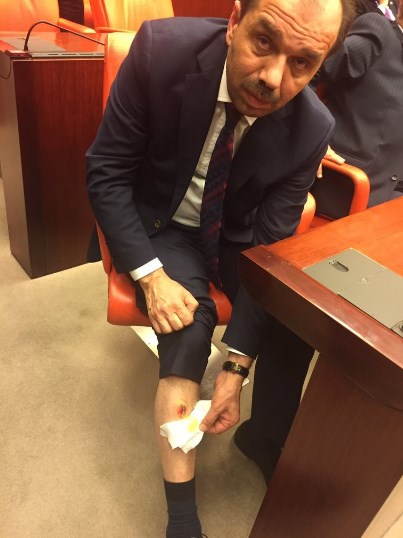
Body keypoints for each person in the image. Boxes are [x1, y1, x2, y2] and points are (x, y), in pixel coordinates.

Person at [86, 1, 354, 536]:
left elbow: (269, 249)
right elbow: (107, 172)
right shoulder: (160, 52)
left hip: (234, 233)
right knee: (187, 329)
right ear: (234, 22)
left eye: (302, 63)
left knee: (295, 316)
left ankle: (265, 438)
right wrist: (151, 276)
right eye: (263, 41)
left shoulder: (311, 127)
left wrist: (236, 367)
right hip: (164, 223)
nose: (273, 78)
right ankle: (182, 521)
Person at [314, 0, 403, 206]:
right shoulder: (380, 33)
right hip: (349, 187)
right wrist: (310, 141)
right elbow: (308, 68)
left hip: (393, 194)